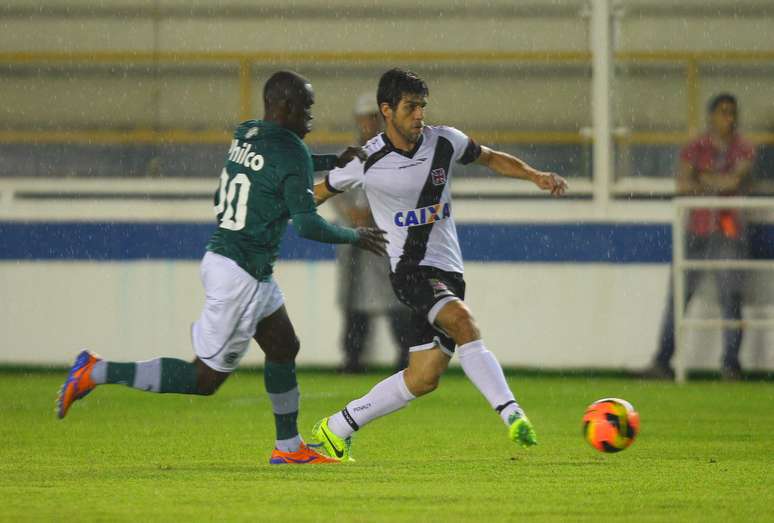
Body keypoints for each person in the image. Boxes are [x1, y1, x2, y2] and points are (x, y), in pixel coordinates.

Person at [55, 70, 388, 465]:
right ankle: (95, 371)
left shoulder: (247, 133)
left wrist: (333, 160)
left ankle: (288, 448)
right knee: (203, 379)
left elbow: (268, 170)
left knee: (283, 345)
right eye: (307, 107)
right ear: (285, 106)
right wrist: (356, 236)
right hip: (241, 274)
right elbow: (307, 225)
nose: (311, 117)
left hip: (236, 263)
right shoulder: (291, 151)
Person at [309, 69, 568, 461]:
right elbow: (319, 192)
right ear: (386, 110)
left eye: (422, 107)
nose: (419, 115)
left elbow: (490, 158)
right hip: (410, 272)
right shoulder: (366, 159)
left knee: (423, 376)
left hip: (449, 272)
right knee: (464, 323)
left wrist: (535, 176)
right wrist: (273, 213)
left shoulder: (445, 141)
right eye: (410, 107)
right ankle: (512, 414)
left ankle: (336, 428)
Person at [643, 93, 756, 381]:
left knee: (731, 297)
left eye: (732, 112)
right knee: (678, 296)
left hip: (729, 231)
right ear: (711, 115)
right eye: (723, 112)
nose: (728, 118)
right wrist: (718, 182)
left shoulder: (743, 148)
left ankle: (731, 366)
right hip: (697, 229)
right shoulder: (696, 146)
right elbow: (683, 184)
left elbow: (733, 181)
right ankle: (662, 362)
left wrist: (703, 178)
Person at [332, 93, 411, 373]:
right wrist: (350, 213)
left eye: (372, 118)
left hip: (384, 239)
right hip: (353, 239)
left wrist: (373, 213)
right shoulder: (348, 155)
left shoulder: (396, 153)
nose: (367, 123)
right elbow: (333, 190)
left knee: (394, 297)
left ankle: (406, 357)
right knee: (353, 301)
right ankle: (352, 358)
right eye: (364, 118)